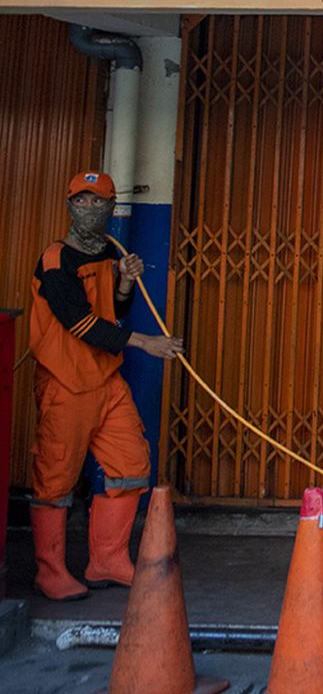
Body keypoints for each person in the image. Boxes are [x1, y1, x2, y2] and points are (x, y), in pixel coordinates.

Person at [27, 171, 183, 601]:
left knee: (131, 462)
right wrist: (144, 342)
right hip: (66, 383)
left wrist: (126, 282)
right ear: (69, 205)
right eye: (81, 201)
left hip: (105, 379)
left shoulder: (106, 255)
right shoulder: (57, 259)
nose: (89, 209)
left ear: (112, 208)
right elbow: (79, 322)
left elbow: (113, 309)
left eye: (98, 202)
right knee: (54, 480)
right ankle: (51, 570)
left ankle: (108, 560)